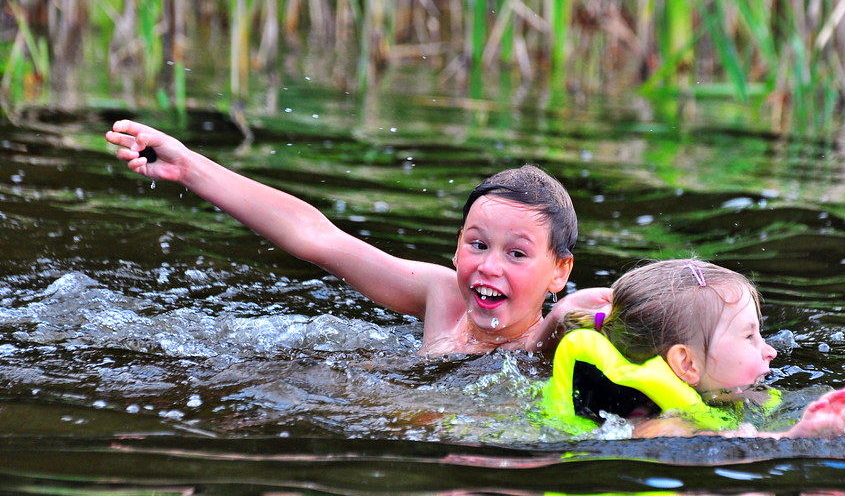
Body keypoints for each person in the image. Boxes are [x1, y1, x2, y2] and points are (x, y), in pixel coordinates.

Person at [105, 119, 610, 356]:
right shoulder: (442, 297)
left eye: (517, 254)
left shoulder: (552, 343)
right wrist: (190, 166)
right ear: (457, 243)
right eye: (477, 244)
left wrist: (572, 316)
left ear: (560, 271)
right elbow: (316, 236)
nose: (489, 266)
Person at [540, 258, 845, 438]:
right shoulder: (663, 427)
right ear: (686, 364)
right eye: (749, 337)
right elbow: (730, 444)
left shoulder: (728, 397)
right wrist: (797, 435)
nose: (769, 350)